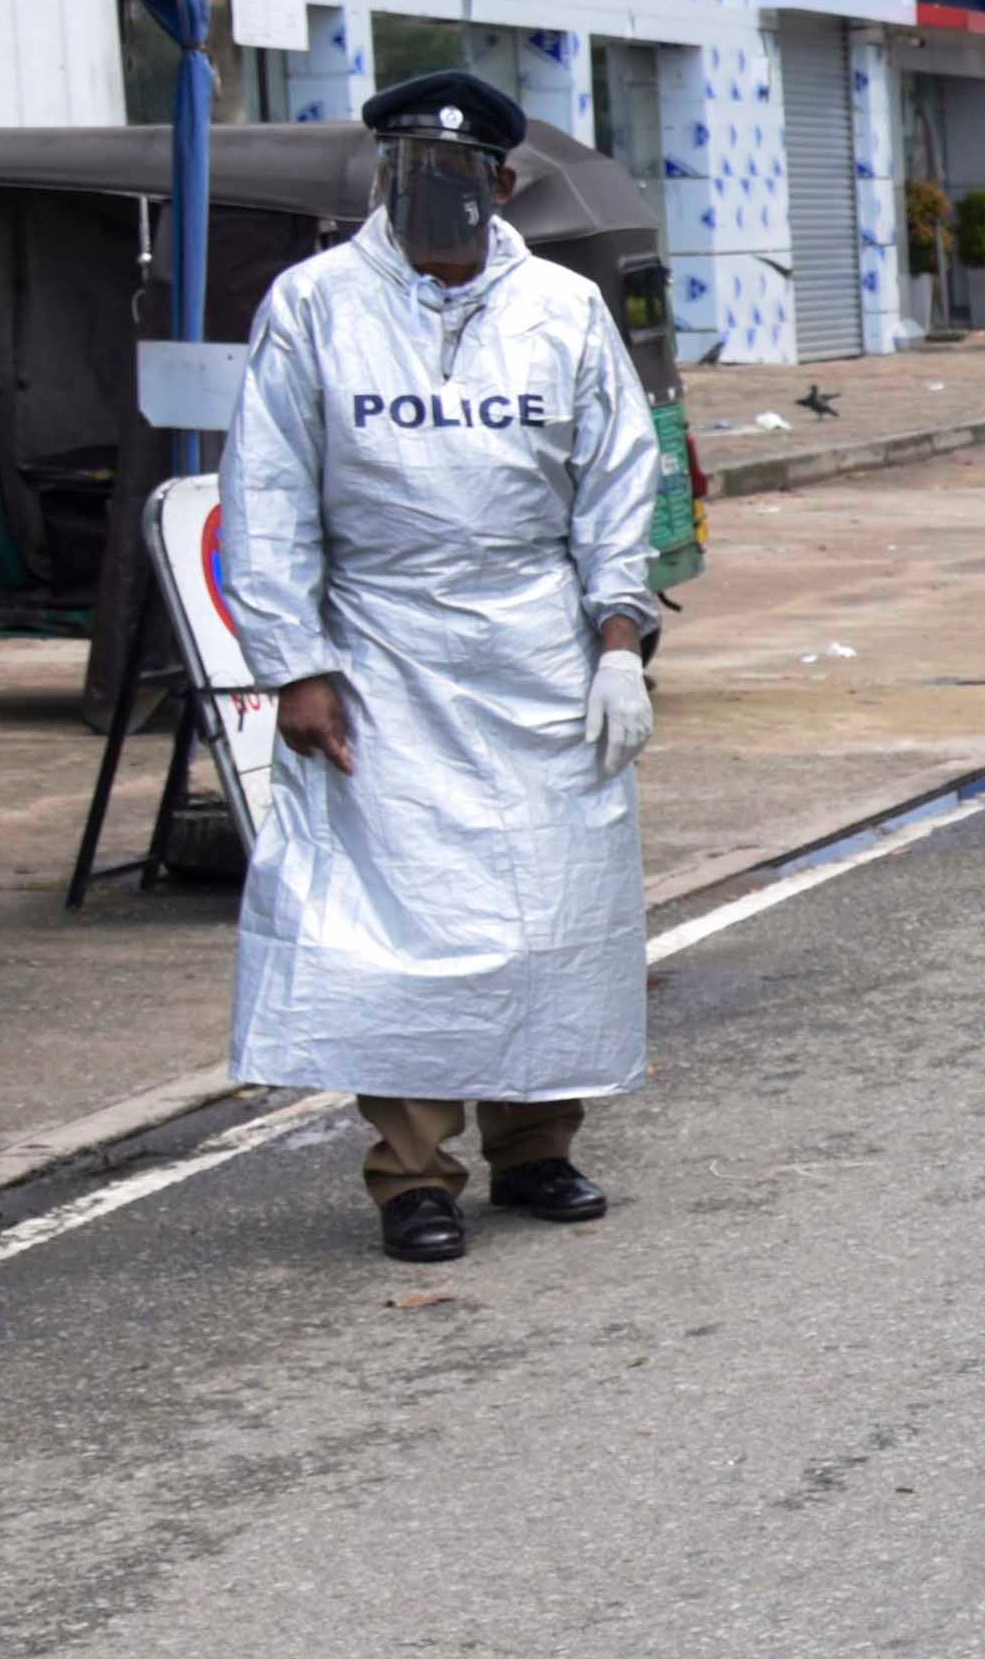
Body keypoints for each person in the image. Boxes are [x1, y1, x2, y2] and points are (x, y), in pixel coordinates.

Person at [218, 69, 664, 1260]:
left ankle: (537, 1146)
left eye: (457, 178)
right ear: (382, 178)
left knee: (548, 911)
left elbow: (619, 483)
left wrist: (618, 639)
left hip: (536, 648)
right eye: (409, 174)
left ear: (501, 185)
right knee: (401, 921)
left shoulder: (563, 311)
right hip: (382, 648)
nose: (431, 198)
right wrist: (296, 665)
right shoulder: (313, 303)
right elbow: (265, 491)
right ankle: (412, 1173)